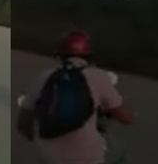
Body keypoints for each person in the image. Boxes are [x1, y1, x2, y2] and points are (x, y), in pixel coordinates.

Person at [16, 30, 135, 164]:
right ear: (88, 56)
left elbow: (22, 125)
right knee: (120, 154)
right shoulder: (98, 76)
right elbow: (127, 119)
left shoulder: (43, 77)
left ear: (60, 55)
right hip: (87, 159)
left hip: (49, 158)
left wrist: (47, 143)